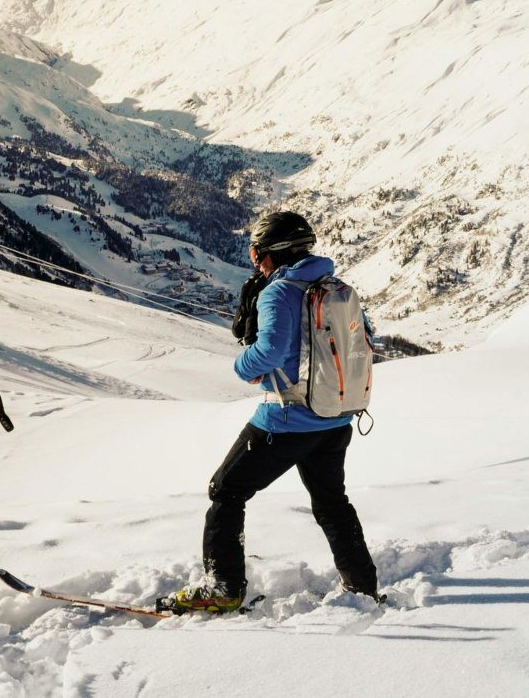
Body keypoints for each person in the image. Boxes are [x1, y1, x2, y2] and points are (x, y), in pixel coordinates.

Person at [160, 210, 380, 614]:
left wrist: (243, 367)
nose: (256, 264)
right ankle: (363, 586)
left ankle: (223, 587)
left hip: (285, 421)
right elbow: (365, 339)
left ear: (272, 253)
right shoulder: (337, 287)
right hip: (336, 419)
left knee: (226, 491)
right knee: (332, 503)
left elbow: (269, 352)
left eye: (257, 255)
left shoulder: (279, 292)